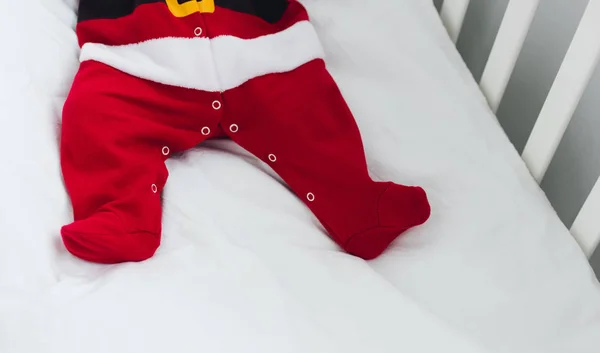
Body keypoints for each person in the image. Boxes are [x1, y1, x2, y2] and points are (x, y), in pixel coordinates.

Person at [60, 0, 431, 264]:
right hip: (143, 61)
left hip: (260, 54)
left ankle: (358, 207)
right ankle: (121, 212)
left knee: (311, 112)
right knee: (98, 113)